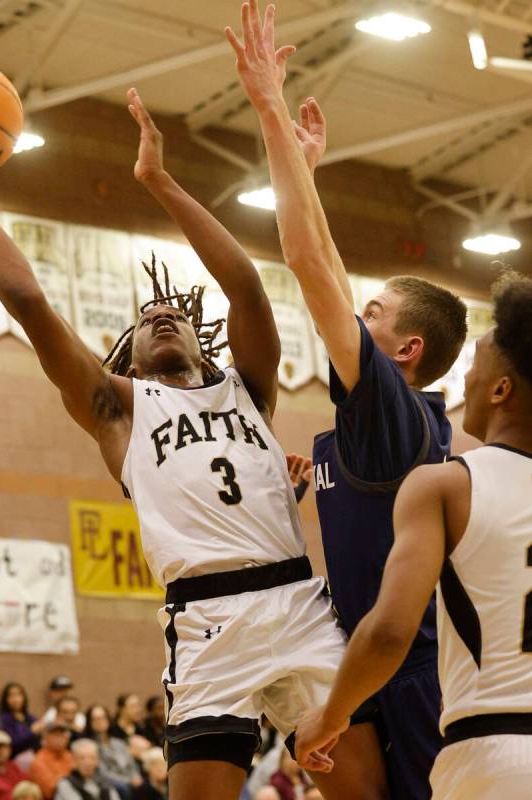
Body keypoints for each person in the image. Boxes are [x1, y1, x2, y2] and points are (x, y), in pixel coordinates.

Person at [0, 86, 386, 800]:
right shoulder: (119, 410)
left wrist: (158, 181)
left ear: (201, 337)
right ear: (124, 360)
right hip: (205, 624)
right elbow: (31, 304)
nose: (163, 316)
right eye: (147, 318)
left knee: (368, 794)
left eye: (174, 315)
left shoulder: (246, 388)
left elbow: (247, 285)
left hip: (295, 603)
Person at [226, 3, 467, 797]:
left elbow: (307, 262)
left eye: (374, 318)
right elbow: (323, 257)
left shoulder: (389, 415)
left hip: (412, 672)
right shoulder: (391, 418)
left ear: (407, 351)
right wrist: (307, 172)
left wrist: (266, 107)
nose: (354, 323)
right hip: (367, 656)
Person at [294, 271, 532, 797]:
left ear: (500, 388)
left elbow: (388, 633)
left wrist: (332, 713)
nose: (463, 378)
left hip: (481, 736)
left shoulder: (452, 483)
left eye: (478, 363)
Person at [83, 705, 142, 800]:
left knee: (145, 785)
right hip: (108, 782)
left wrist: (136, 776)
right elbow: (102, 772)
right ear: (90, 723)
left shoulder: (119, 742)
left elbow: (132, 764)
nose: (100, 721)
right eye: (95, 719)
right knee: (123, 788)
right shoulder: (90, 746)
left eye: (103, 717)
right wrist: (129, 781)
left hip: (128, 779)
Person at [55, 739, 121, 800]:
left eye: (92, 758)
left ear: (97, 760)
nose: (87, 763)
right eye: (82, 758)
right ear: (74, 761)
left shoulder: (105, 781)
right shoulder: (65, 784)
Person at [29, 722, 75, 800]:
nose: (59, 738)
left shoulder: (70, 756)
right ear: (45, 738)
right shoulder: (39, 761)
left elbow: (82, 779)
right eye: (55, 735)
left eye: (62, 735)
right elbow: (50, 791)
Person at [0, 682, 44, 758]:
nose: (16, 699)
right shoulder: (4, 718)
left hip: (37, 753)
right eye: (11, 696)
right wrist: (31, 732)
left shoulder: (31, 717)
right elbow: (11, 743)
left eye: (18, 695)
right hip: (16, 756)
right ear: (6, 699)